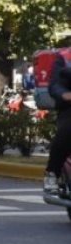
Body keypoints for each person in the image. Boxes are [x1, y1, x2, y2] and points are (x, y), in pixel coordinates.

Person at [44, 53, 71, 194]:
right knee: (67, 128)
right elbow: (55, 84)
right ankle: (52, 173)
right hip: (69, 106)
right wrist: (64, 94)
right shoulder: (66, 58)